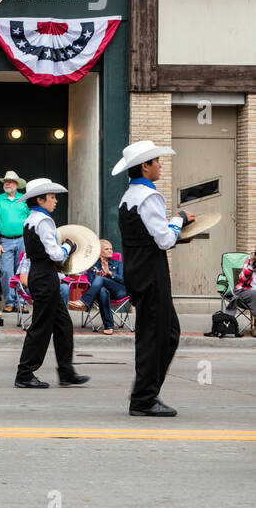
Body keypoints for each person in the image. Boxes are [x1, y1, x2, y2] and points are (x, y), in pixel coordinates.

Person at [114, 141, 192, 417]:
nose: (160, 165)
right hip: (151, 271)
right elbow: (165, 239)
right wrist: (179, 219)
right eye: (157, 161)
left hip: (137, 269)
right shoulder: (149, 197)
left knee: (164, 332)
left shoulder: (128, 196)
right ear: (145, 166)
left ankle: (146, 391)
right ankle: (144, 398)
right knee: (157, 335)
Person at [13, 177, 89, 390]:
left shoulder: (30, 220)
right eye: (52, 197)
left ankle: (66, 372)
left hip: (41, 275)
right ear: (40, 199)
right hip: (45, 276)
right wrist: (68, 247)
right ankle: (25, 374)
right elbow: (55, 253)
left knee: (63, 325)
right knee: (40, 327)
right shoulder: (44, 221)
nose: (55, 201)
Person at [0, 171, 29, 313]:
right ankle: (9, 301)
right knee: (6, 272)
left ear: (16, 185)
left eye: (10, 181)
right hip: (5, 240)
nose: (7, 184)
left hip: (23, 240)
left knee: (23, 271)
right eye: (5, 181)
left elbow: (30, 221)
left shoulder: (24, 199)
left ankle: (23, 301)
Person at [82, 240, 128, 334]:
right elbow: (91, 284)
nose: (110, 251)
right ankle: (109, 326)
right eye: (107, 249)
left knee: (101, 280)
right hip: (102, 294)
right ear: (99, 251)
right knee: (102, 290)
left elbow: (124, 280)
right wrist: (97, 277)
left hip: (119, 291)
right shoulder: (93, 266)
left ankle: (85, 302)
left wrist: (110, 273)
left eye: (111, 249)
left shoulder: (118, 264)